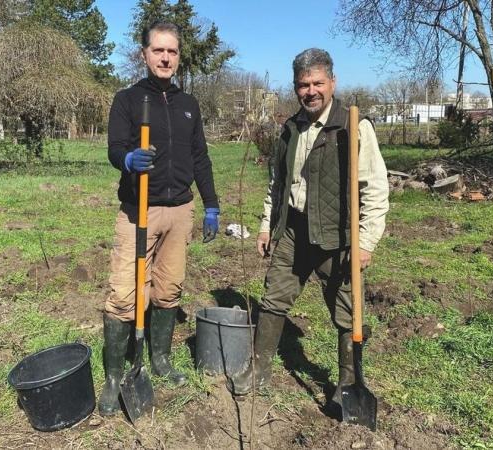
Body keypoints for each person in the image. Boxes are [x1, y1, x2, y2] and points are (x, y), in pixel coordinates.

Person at [229, 48, 389, 413]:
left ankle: (348, 382)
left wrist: (365, 242)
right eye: (304, 84)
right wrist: (267, 225)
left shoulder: (353, 125)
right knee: (274, 298)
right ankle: (259, 367)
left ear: (332, 82)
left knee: (348, 311)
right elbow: (278, 183)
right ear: (296, 87)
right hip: (293, 230)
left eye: (318, 82)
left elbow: (376, 188)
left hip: (337, 236)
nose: (311, 91)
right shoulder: (291, 128)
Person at [99, 21, 220, 416]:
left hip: (180, 210)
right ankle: (116, 374)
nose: (166, 58)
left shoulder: (189, 105)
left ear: (178, 57)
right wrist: (129, 160)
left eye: (172, 52)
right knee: (124, 294)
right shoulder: (128, 100)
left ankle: (161, 360)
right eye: (158, 50)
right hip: (140, 209)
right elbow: (115, 148)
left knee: (168, 290)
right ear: (145, 54)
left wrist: (211, 204)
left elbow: (200, 157)